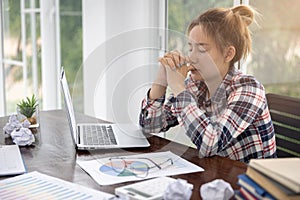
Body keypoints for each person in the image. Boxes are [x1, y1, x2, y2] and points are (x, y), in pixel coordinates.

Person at [139, 5, 277, 163]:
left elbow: (210, 144)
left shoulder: (249, 89)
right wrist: (161, 81)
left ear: (228, 54)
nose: (191, 58)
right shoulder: (196, 84)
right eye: (190, 48)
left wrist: (178, 87)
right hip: (217, 174)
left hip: (252, 182)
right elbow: (150, 127)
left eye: (202, 50)